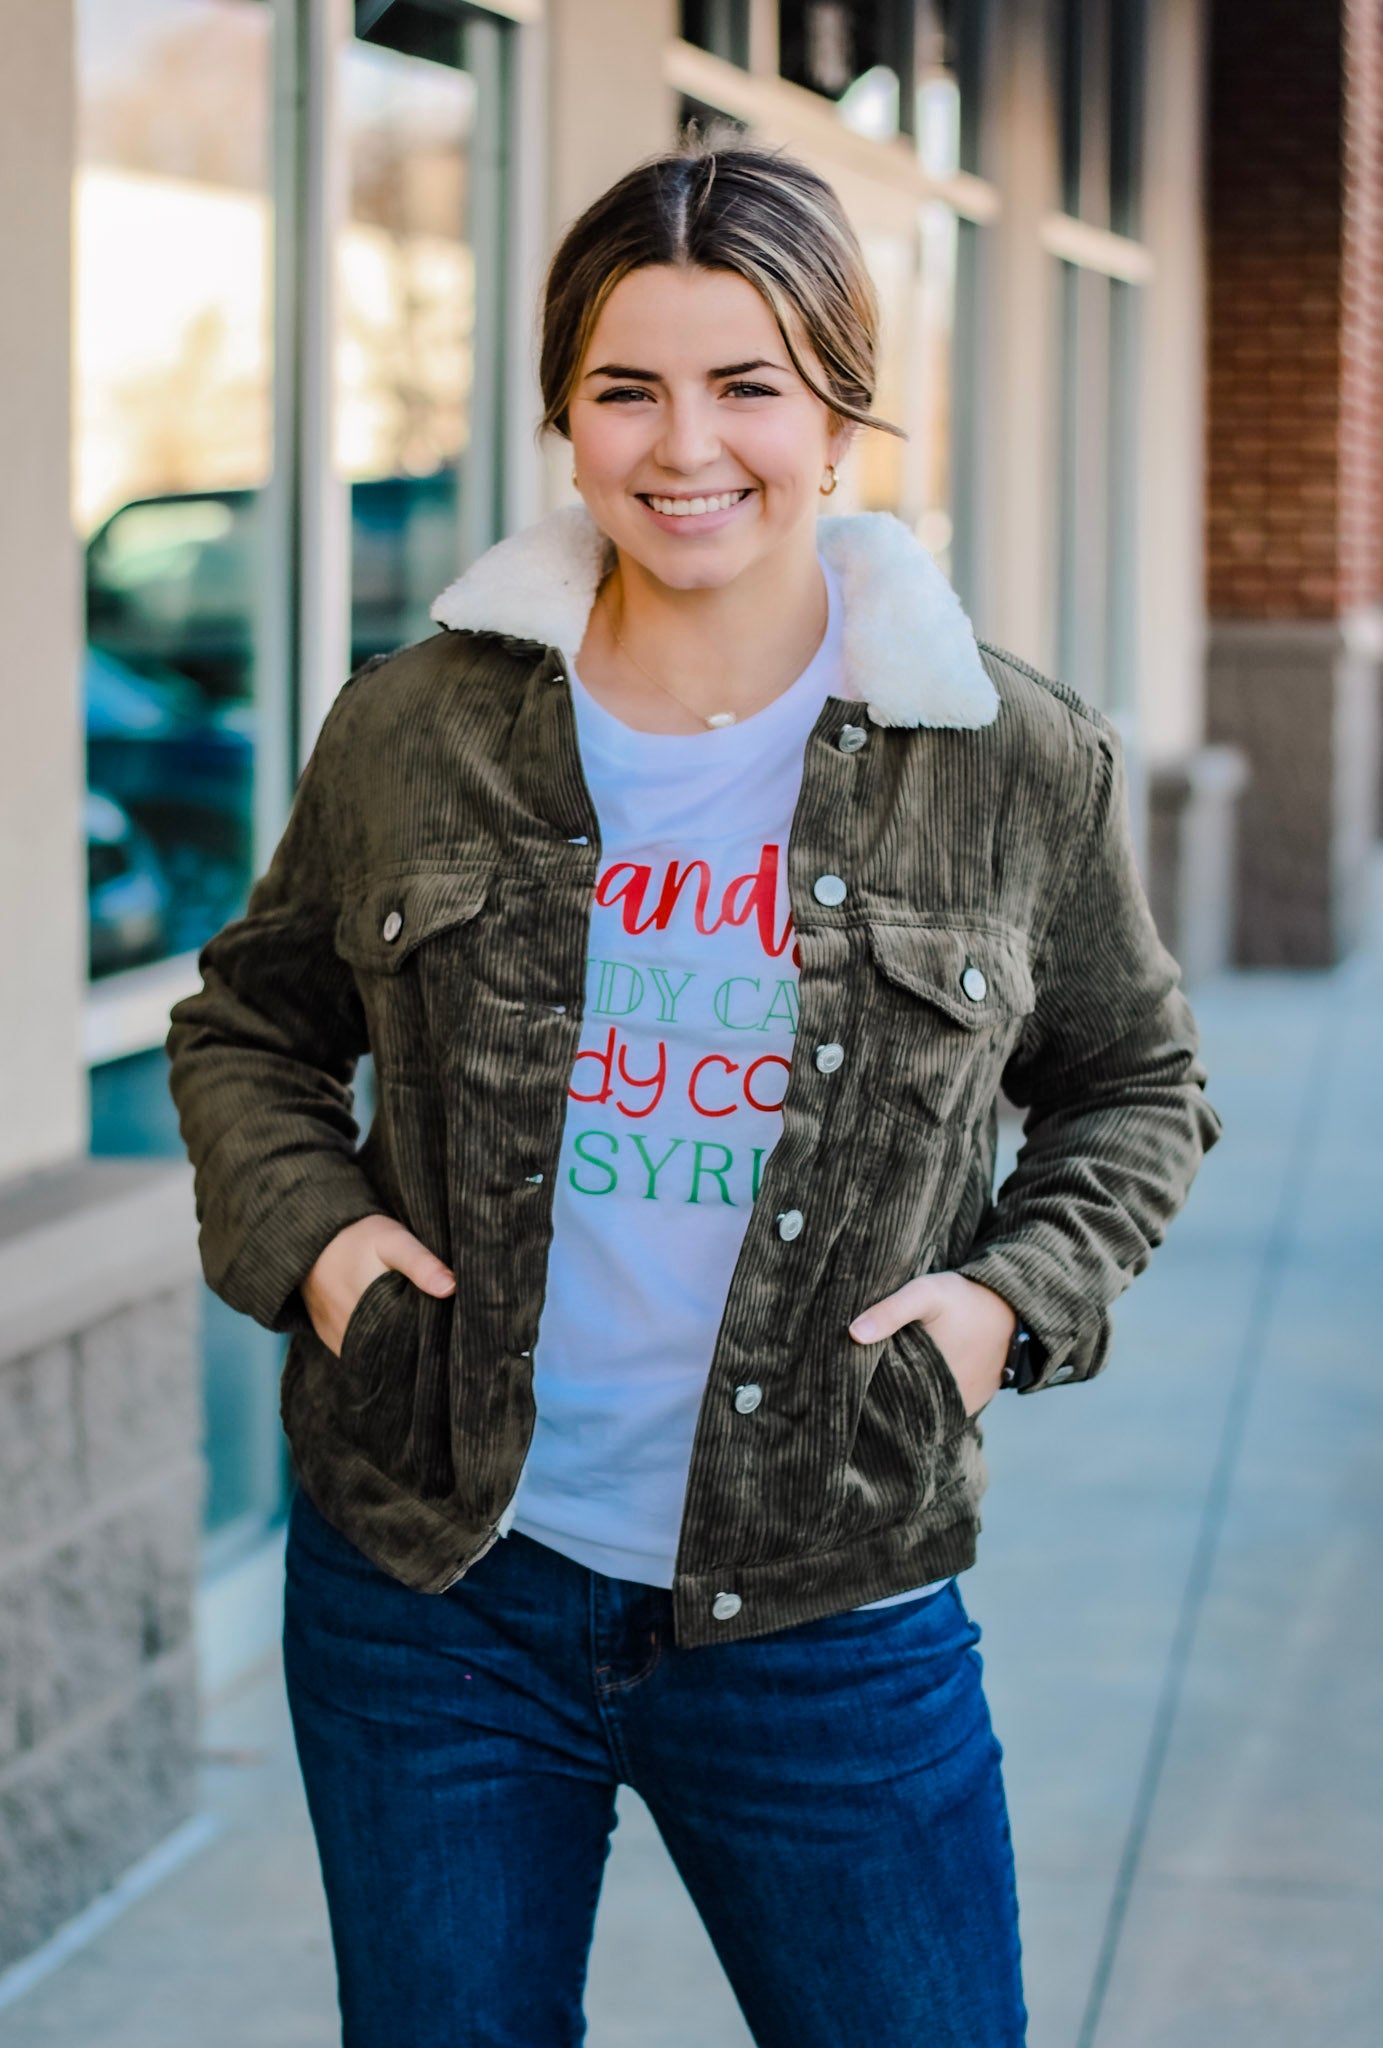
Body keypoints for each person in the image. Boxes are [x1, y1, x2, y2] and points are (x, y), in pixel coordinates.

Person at [165, 131, 1221, 2048]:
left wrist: (1005, 1307)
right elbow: (249, 1022)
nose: (687, 446)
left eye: (749, 384)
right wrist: (325, 1253)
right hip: (437, 1590)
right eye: (626, 389)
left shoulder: (1006, 759)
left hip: (830, 1593)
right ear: (564, 420)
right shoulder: (415, 726)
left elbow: (1138, 1085)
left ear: (840, 416)